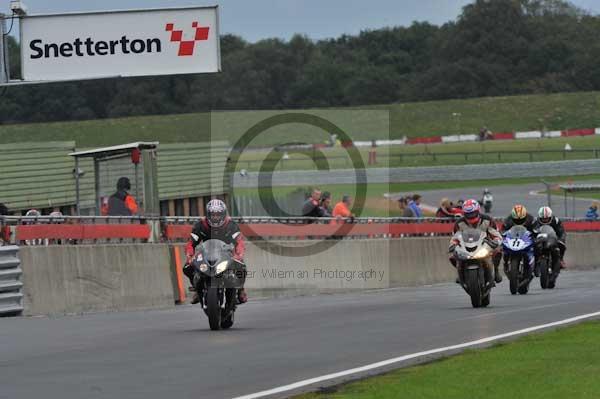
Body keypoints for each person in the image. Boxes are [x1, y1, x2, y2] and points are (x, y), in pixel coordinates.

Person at [183, 199, 247, 305]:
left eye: (218, 215)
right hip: (206, 255)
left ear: (223, 214)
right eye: (213, 215)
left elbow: (239, 241)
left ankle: (240, 290)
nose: (215, 217)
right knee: (187, 267)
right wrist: (189, 256)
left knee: (242, 266)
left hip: (226, 254)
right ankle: (196, 289)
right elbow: (190, 243)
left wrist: (238, 255)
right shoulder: (200, 225)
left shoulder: (231, 225)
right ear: (208, 215)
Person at [450, 199, 503, 284]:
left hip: (484, 244)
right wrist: (453, 244)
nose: (471, 216)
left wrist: (496, 240)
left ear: (478, 211)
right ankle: (460, 272)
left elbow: (495, 233)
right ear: (464, 213)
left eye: (472, 213)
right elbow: (455, 236)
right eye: (468, 214)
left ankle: (495, 271)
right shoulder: (459, 223)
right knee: (453, 256)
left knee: (497, 252)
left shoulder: (487, 220)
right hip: (466, 246)